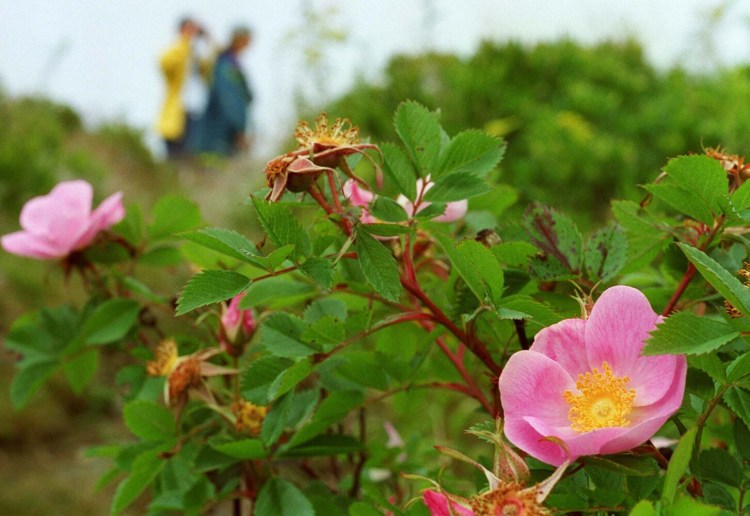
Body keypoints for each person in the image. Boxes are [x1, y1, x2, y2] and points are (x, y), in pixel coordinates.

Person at [189, 26, 254, 157]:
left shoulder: (231, 63)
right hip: (221, 133)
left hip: (225, 132)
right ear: (240, 40)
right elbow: (228, 99)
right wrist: (238, 128)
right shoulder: (225, 65)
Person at [156, 17, 206, 159]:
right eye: (190, 29)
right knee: (175, 154)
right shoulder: (177, 50)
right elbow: (164, 62)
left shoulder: (195, 55)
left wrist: (206, 38)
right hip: (176, 113)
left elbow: (210, 65)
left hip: (194, 111)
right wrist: (185, 41)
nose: (193, 34)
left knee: (190, 154)